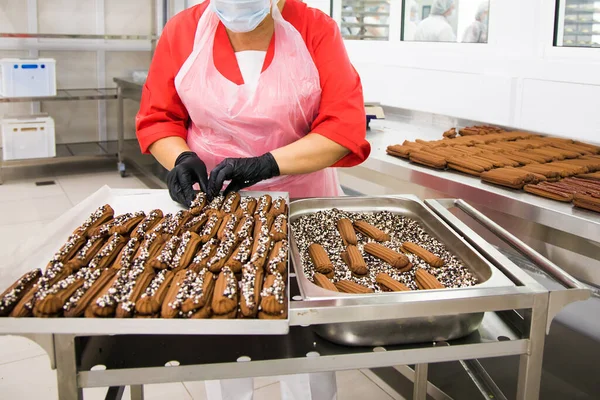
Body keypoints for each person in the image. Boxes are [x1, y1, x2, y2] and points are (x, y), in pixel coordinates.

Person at [136, 0, 370, 207]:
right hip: (210, 197)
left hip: (299, 199)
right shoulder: (183, 30)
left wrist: (267, 164)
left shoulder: (316, 28)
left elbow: (342, 129)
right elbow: (159, 119)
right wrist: (181, 158)